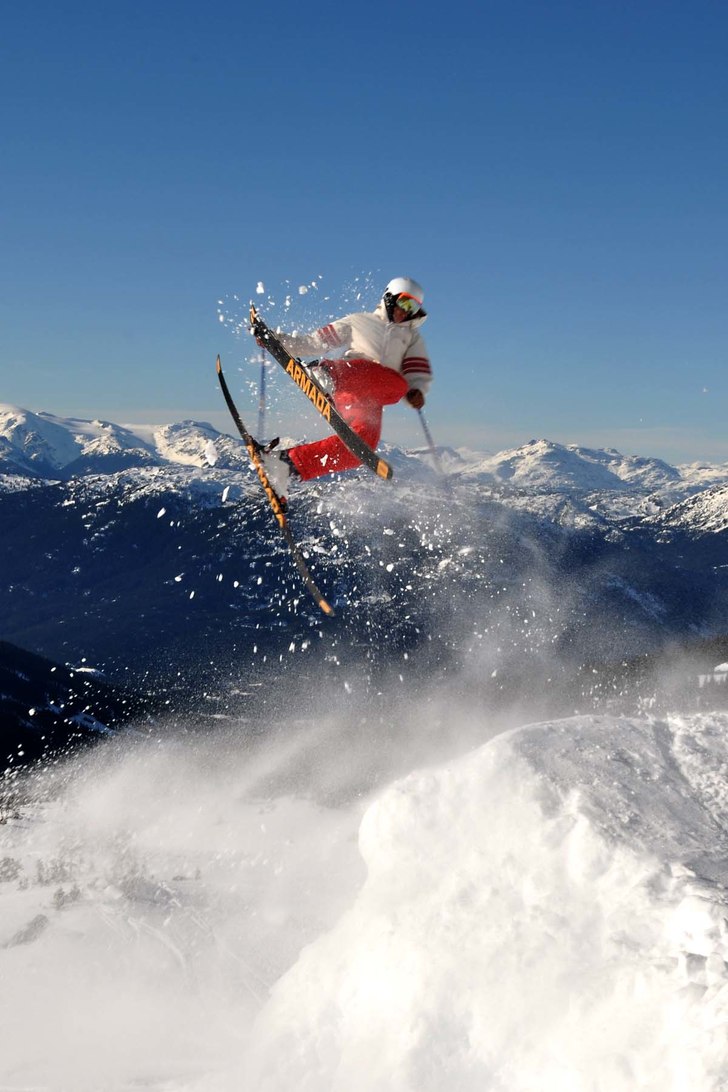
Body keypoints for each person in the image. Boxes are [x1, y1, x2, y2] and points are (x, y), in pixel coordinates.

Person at [257, 277, 432, 494]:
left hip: (371, 399)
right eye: (404, 302)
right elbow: (314, 342)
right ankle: (324, 373)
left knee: (361, 449)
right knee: (397, 384)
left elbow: (415, 369)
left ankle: (286, 464)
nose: (406, 311)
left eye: (413, 307)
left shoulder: (409, 338)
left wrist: (416, 390)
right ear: (389, 298)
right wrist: (275, 340)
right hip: (348, 379)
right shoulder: (358, 322)